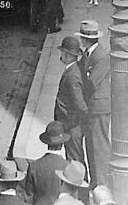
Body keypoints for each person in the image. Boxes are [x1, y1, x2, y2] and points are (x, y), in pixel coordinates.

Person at [77, 19, 111, 188]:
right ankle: (95, 181)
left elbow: (91, 84)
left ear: (85, 39)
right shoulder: (88, 54)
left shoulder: (101, 56)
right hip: (93, 107)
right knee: (91, 145)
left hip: (99, 108)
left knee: (99, 147)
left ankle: (101, 183)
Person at [53, 35, 87, 167]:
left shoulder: (72, 76)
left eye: (62, 52)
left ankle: (79, 186)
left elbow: (80, 105)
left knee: (74, 160)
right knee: (74, 157)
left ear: (67, 54)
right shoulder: (72, 70)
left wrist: (72, 123)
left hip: (71, 126)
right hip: (70, 125)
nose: (61, 54)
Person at [24, 121, 69, 205]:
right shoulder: (67, 166)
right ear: (62, 143)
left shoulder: (34, 165)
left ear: (47, 143)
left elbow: (28, 197)